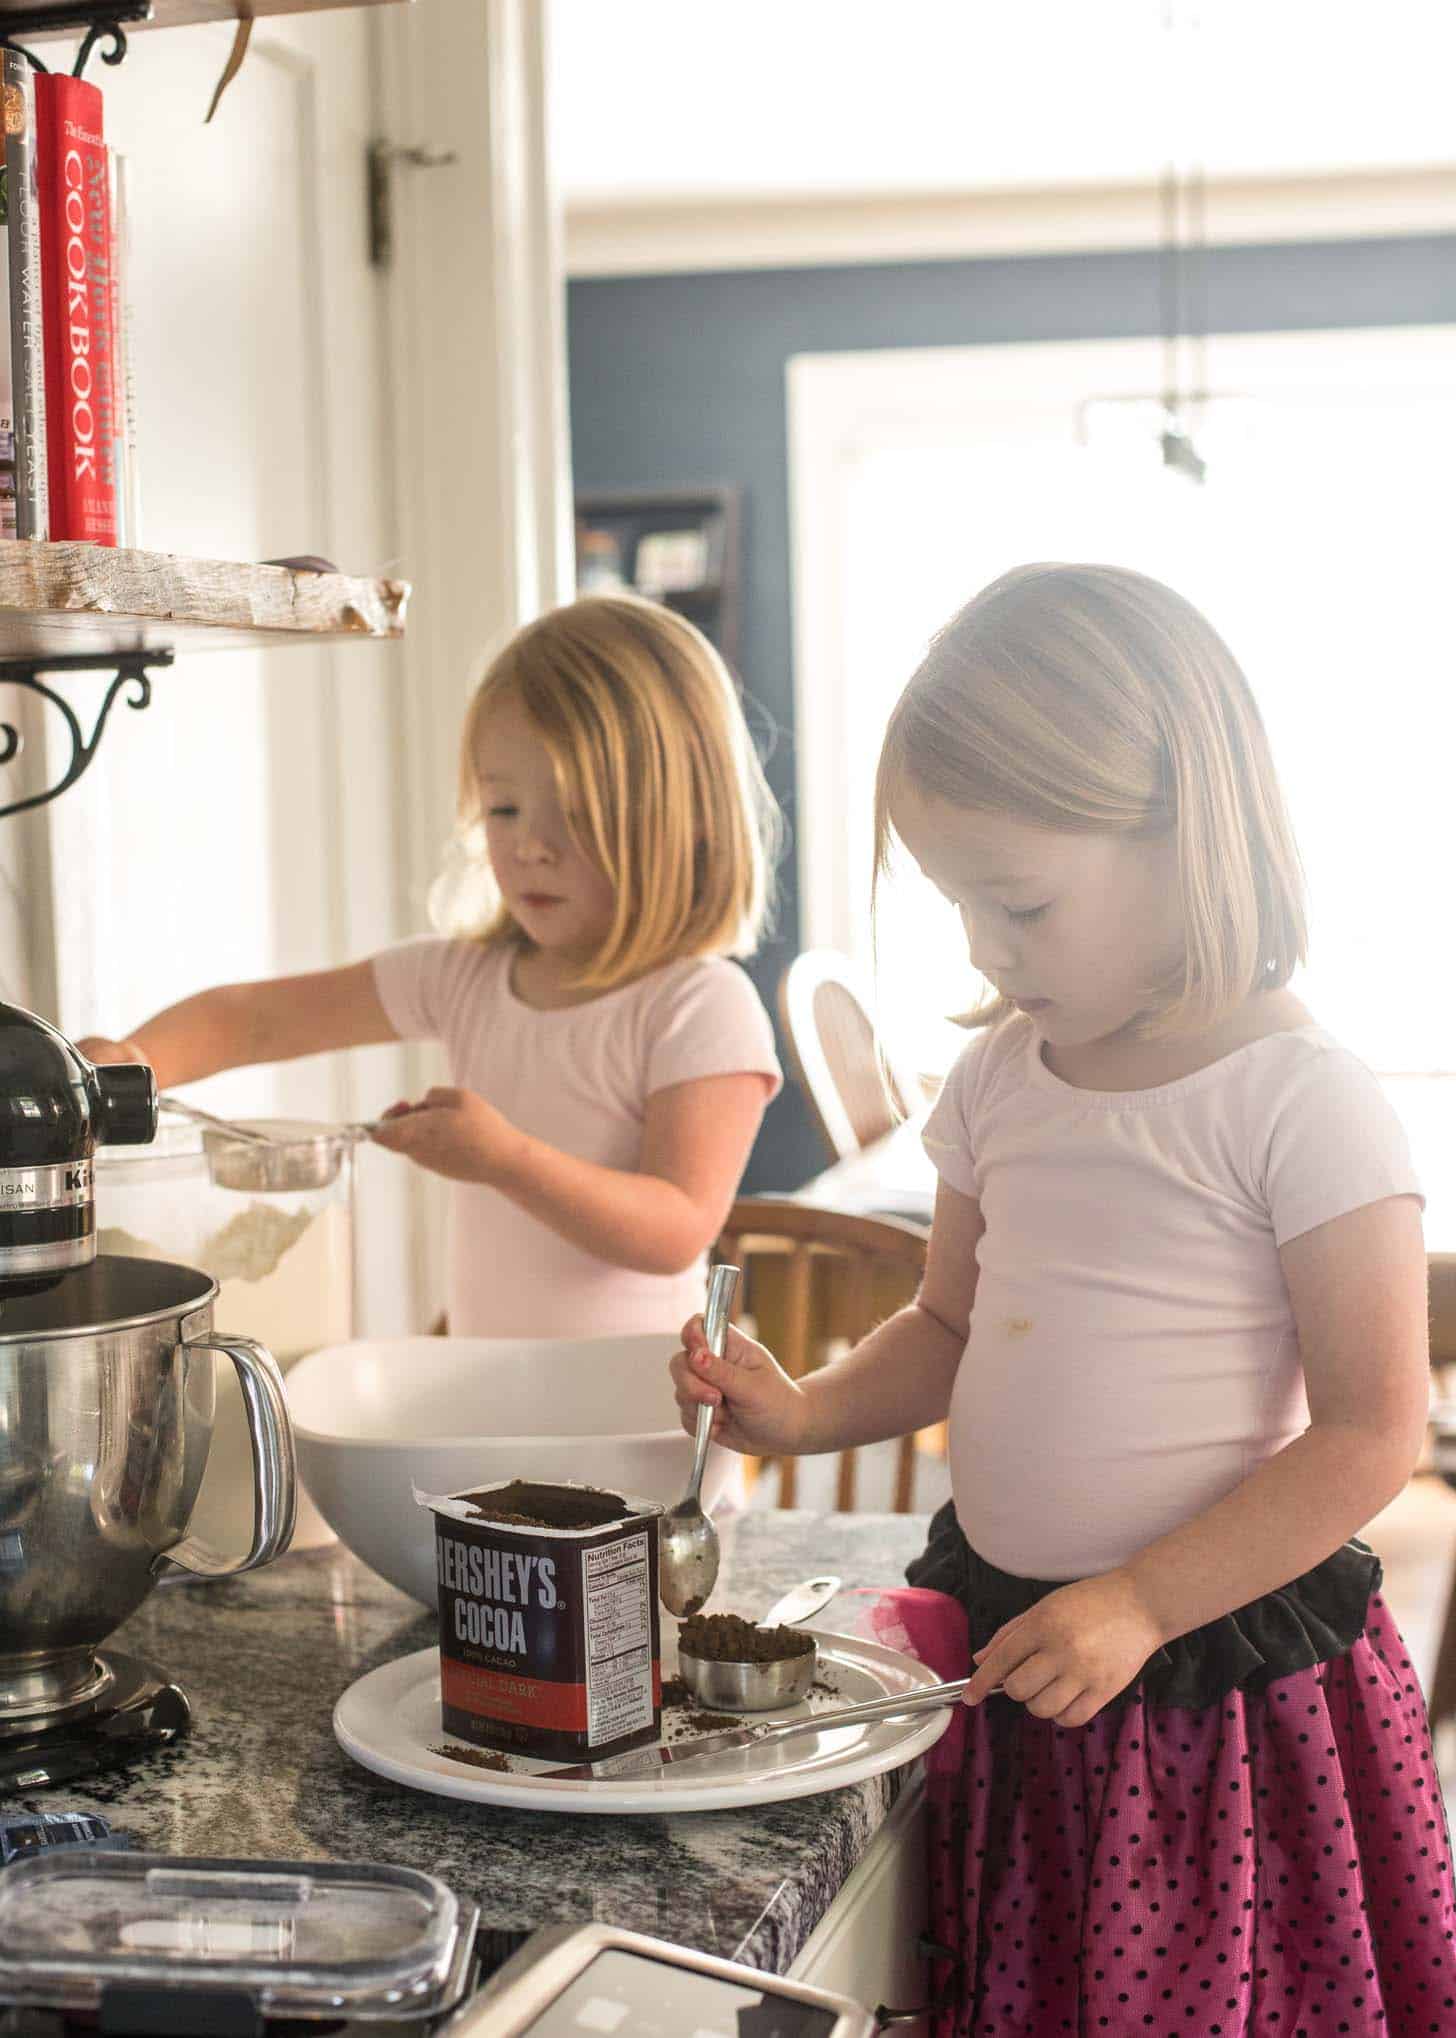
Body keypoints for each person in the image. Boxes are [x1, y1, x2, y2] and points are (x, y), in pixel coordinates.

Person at [670, 563, 1454, 2033]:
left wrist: (1143, 1601)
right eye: (958, 900)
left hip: (1203, 1683)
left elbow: (1367, 1435)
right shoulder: (999, 1078)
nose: (983, 945)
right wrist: (807, 1405)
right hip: (1022, 1639)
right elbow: (952, 1326)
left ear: (1187, 841)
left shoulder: (1303, 1098)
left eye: (1017, 899)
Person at [81, 595, 782, 1338]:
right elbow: (252, 1021)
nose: (530, 846)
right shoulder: (463, 980)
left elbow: (675, 1230)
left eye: (573, 812)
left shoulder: (700, 1006)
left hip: (636, 1427)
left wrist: (506, 1160)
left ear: (683, 817)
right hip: (495, 1406)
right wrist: (131, 1062)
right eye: (505, 809)